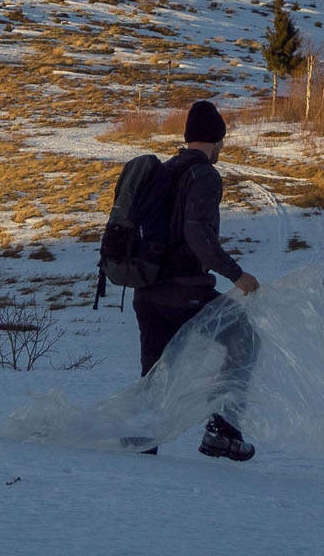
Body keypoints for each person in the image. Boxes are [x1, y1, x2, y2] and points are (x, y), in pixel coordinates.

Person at [132, 98, 260, 461]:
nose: (222, 148)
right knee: (245, 338)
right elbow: (197, 237)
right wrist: (238, 276)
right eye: (222, 140)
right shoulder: (205, 175)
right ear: (215, 139)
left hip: (147, 294)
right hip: (184, 293)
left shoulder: (165, 170)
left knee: (156, 373)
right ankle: (223, 431)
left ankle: (141, 443)